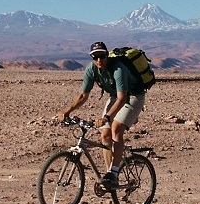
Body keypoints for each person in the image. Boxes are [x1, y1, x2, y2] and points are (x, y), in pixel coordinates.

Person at [59, 41, 146, 189]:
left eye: (102, 56)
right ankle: (109, 176)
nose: (99, 60)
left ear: (107, 55)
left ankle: (114, 172)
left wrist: (107, 117)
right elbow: (83, 96)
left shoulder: (118, 69)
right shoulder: (91, 69)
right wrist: (67, 112)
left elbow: (122, 98)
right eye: (95, 57)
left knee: (116, 128)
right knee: (105, 134)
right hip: (115, 96)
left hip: (133, 96)